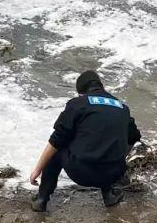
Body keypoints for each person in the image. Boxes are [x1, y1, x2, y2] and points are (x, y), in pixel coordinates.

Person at [29, 70, 141, 212]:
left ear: (81, 93)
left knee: (58, 147)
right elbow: (134, 136)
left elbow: (56, 140)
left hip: (81, 173)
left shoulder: (78, 104)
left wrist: (37, 170)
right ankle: (109, 196)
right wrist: (118, 156)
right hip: (113, 174)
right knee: (107, 143)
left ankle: (41, 199)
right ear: (101, 87)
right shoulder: (122, 107)